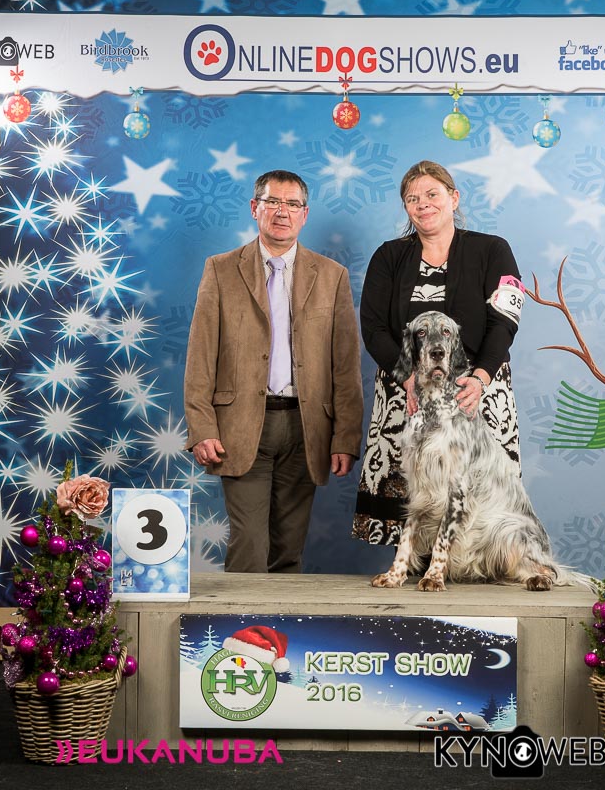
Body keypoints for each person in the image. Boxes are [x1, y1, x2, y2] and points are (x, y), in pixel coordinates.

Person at [185, 169, 363, 572]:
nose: (283, 212)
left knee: (289, 549)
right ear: (255, 208)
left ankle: (280, 616)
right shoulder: (220, 269)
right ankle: (240, 615)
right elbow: (200, 356)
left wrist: (346, 436)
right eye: (273, 202)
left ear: (305, 214)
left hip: (307, 428)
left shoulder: (332, 276)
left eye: (293, 204)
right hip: (240, 425)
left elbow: (345, 365)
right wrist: (202, 427)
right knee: (249, 545)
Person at [352, 160, 524, 547]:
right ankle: (415, 564)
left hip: (477, 391)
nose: (423, 204)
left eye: (432, 194)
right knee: (413, 497)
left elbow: (505, 320)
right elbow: (373, 327)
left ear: (454, 198)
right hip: (406, 392)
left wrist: (481, 378)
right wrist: (408, 378)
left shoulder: (493, 249)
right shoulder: (388, 256)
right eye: (412, 198)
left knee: (481, 501)